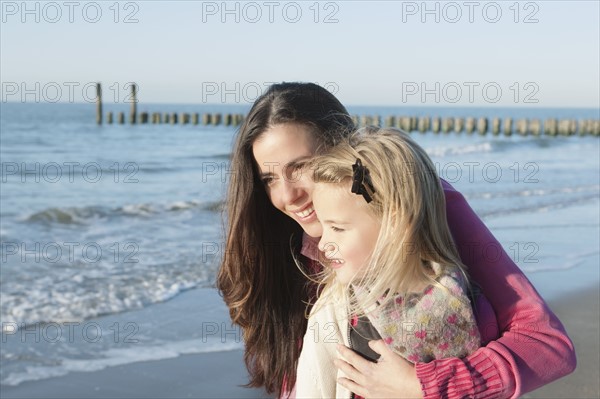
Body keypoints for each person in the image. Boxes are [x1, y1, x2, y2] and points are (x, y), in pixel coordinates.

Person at [216, 82, 576, 398]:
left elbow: (547, 344)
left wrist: (423, 385)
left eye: (301, 168)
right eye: (268, 179)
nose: (288, 195)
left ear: (344, 152)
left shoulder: (421, 207)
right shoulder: (279, 240)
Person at [295, 128, 482, 398]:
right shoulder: (336, 303)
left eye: (337, 228)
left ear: (394, 226)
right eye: (323, 228)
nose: (323, 245)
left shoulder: (448, 308)